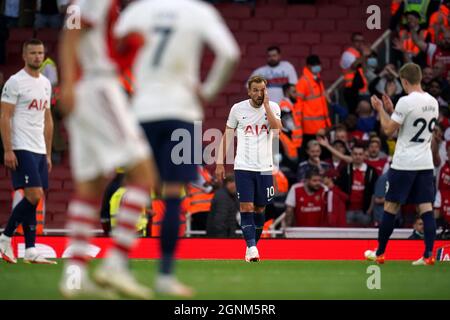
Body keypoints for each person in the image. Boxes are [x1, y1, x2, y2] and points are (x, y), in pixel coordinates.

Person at [115, 0, 239, 295]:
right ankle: (165, 275)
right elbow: (230, 54)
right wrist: (207, 91)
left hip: (143, 110)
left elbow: (112, 53)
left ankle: (117, 264)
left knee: (136, 188)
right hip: (181, 111)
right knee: (173, 195)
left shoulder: (136, 11)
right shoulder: (198, 11)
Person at [58, 0, 157, 299]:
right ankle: (115, 264)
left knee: (91, 187)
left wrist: (126, 45)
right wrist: (69, 83)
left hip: (88, 88)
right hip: (97, 87)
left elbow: (77, 30)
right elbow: (71, 34)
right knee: (143, 173)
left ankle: (73, 276)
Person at [365, 63, 439, 266]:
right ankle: (428, 255)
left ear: (404, 81)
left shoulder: (406, 101)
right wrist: (392, 110)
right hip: (424, 163)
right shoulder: (433, 101)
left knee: (390, 206)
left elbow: (388, 130)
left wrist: (381, 110)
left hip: (404, 163)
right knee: (426, 208)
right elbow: (410, 127)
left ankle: (380, 253)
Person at [216, 76, 282, 263]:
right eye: (255, 90)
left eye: (262, 90)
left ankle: (251, 246)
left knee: (260, 209)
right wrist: (220, 163)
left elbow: (277, 131)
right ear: (249, 91)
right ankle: (252, 248)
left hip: (264, 167)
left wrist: (267, 107)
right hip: (243, 166)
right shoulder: (237, 109)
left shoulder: (274, 107)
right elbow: (227, 136)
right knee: (247, 207)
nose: (259, 94)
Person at [0, 39, 54, 265]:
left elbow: (47, 119)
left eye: (40, 53)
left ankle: (30, 249)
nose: (37, 57)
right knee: (34, 194)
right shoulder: (15, 82)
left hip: (39, 148)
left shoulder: (45, 83)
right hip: (21, 146)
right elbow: (5, 116)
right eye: (32, 53)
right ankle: (5, 237)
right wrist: (8, 149)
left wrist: (48, 154)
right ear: (24, 55)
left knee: (34, 198)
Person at [295, 55, 331, 153]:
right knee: (313, 151)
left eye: (318, 64)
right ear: (308, 66)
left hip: (320, 125)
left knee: (322, 152)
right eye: (314, 65)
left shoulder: (317, 79)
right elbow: (298, 105)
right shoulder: (303, 82)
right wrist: (298, 125)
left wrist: (326, 124)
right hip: (310, 127)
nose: (317, 67)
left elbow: (321, 103)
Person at [336, 144, 378, 227]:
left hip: (364, 211)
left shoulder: (371, 171)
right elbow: (339, 191)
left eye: (360, 154)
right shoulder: (345, 170)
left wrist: (370, 209)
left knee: (365, 238)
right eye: (355, 154)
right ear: (351, 155)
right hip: (347, 211)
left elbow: (374, 192)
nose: (357, 156)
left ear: (364, 155)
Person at [340, 32, 371, 112]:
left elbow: (364, 70)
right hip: (351, 89)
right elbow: (354, 65)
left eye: (362, 41)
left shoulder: (360, 54)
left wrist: (365, 56)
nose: (360, 43)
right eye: (357, 41)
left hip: (360, 89)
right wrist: (364, 55)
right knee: (353, 114)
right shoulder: (347, 54)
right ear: (352, 42)